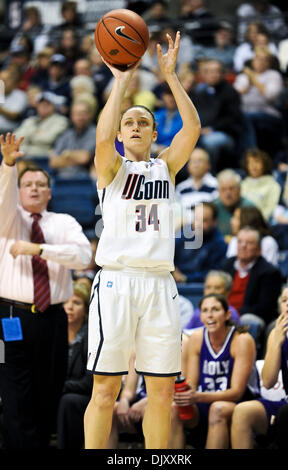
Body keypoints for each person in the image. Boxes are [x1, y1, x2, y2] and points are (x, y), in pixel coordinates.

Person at [83, 31, 201, 450]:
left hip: (158, 285)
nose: (135, 127)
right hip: (116, 282)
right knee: (104, 390)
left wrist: (170, 77)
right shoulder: (110, 169)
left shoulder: (165, 167)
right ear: (121, 133)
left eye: (143, 123)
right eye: (128, 123)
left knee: (162, 394)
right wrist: (120, 81)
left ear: (154, 134)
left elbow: (193, 128)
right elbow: (100, 139)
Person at [0, 133, 92, 449]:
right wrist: (9, 164)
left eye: (41, 184)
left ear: (50, 192)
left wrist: (39, 249)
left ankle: (39, 445)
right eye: (28, 184)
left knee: (48, 388)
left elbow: (83, 256)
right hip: (11, 315)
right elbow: (2, 201)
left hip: (54, 316)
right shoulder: (7, 219)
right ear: (19, 191)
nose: (35, 188)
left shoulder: (62, 222)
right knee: (13, 388)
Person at [169, 293, 259, 449]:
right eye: (205, 310)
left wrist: (198, 396)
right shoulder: (196, 338)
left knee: (217, 409)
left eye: (215, 309)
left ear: (227, 314)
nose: (209, 315)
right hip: (204, 400)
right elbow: (192, 382)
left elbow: (237, 392)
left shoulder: (242, 339)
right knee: (173, 409)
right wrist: (185, 394)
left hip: (238, 403)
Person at [231, 284, 288, 449]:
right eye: (284, 300)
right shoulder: (277, 334)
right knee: (243, 411)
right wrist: (276, 344)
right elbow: (268, 381)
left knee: (286, 414)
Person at [222, 226, 282, 351]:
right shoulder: (226, 265)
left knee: (248, 319)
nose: (243, 246)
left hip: (247, 316)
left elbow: (266, 308)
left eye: (249, 243)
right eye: (240, 242)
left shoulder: (269, 272)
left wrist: (235, 313)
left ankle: (248, 358)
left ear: (259, 249)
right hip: (225, 313)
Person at [56, 281, 93, 449]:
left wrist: (58, 387)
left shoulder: (91, 336)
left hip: (85, 395)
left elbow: (89, 383)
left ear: (85, 309)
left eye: (76, 303)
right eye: (66, 302)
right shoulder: (54, 333)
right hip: (59, 392)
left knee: (68, 401)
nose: (69, 307)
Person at [190, 59, 243, 173]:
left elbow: (233, 119)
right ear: (203, 74)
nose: (213, 74)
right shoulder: (199, 92)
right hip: (200, 131)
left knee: (211, 142)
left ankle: (209, 174)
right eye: (209, 71)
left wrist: (212, 129)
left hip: (224, 133)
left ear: (222, 73)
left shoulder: (231, 92)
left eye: (216, 71)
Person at [234, 46, 285, 156]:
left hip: (268, 115)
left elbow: (270, 96)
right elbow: (235, 97)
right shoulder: (243, 77)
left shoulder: (273, 75)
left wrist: (254, 79)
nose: (260, 62)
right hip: (244, 113)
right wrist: (248, 83)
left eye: (264, 59)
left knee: (246, 118)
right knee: (240, 118)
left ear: (269, 63)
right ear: (253, 61)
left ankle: (252, 154)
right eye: (258, 58)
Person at [173, 202, 227, 283]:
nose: (198, 224)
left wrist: (186, 278)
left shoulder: (219, 244)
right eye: (196, 219)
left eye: (204, 220)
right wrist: (173, 271)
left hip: (200, 287)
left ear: (214, 222)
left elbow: (213, 273)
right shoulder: (183, 234)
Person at [14, 90, 69, 158]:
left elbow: (47, 139)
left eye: (48, 103)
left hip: (44, 158)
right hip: (23, 155)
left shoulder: (61, 121)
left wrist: (29, 137)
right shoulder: (30, 120)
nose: (43, 106)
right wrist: (36, 134)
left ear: (54, 106)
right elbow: (16, 137)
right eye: (41, 103)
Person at [49, 100, 96, 178]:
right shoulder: (66, 134)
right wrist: (75, 158)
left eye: (83, 113)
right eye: (77, 114)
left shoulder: (94, 133)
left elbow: (84, 158)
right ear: (72, 116)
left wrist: (67, 154)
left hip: (84, 178)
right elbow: (53, 162)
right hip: (62, 179)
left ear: (89, 115)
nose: (80, 117)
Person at [175, 148, 218, 219]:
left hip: (207, 226)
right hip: (185, 227)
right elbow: (177, 212)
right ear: (188, 166)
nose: (196, 164)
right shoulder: (180, 188)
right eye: (193, 161)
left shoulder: (216, 185)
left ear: (208, 165)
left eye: (200, 161)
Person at [240, 148, 281, 220]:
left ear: (264, 164)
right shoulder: (241, 185)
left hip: (261, 223)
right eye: (250, 162)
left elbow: (270, 209)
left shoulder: (273, 186)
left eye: (257, 162)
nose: (253, 165)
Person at [214, 169, 254, 240]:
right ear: (218, 191)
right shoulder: (213, 207)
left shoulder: (249, 208)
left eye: (231, 189)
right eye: (223, 189)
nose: (228, 193)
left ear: (239, 190)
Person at [0, 67, 28, 134]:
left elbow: (14, 116)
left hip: (7, 133)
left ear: (13, 81)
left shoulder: (20, 95)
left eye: (4, 80)